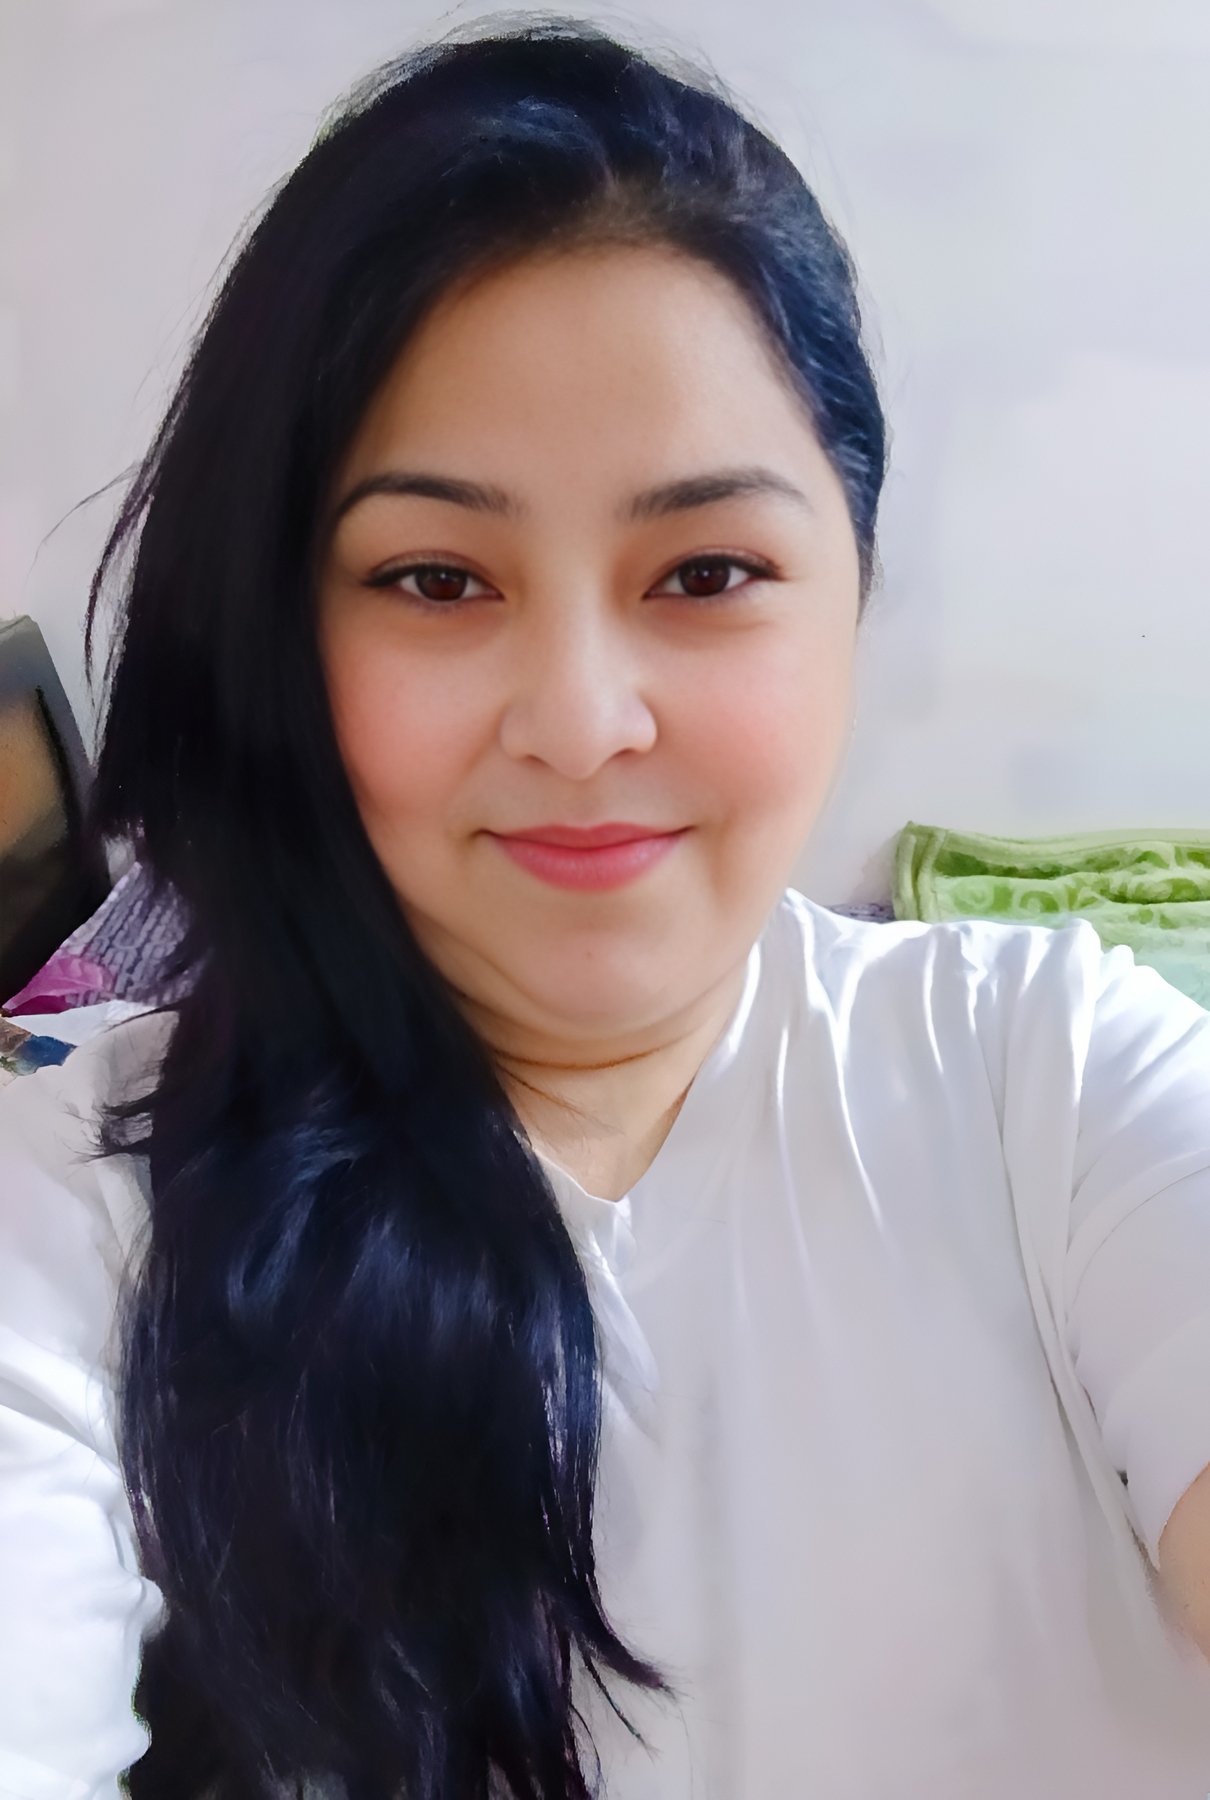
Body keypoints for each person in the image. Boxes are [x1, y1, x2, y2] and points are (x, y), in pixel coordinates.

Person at [1, 13, 1208, 1799]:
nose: (578, 724)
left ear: (852, 593)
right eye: (435, 579)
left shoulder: (1055, 1077)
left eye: (705, 571)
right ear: (284, 631)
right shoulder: (83, 1196)